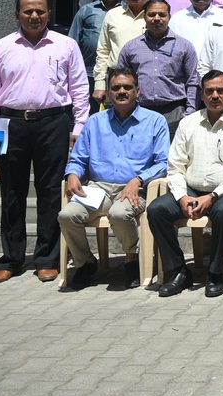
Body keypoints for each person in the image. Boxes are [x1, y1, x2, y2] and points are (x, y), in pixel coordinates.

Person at [0, 0, 89, 284]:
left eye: (39, 11)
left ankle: (46, 258)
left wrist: (79, 128)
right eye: (28, 12)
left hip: (54, 122)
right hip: (10, 122)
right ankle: (12, 258)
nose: (34, 16)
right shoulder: (1, 47)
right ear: (17, 14)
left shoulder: (66, 45)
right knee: (12, 192)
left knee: (50, 191)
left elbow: (79, 90)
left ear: (48, 13)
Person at [146, 70, 223, 298]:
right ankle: (177, 271)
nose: (215, 95)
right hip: (190, 189)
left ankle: (215, 273)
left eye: (220, 91)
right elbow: (175, 166)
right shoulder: (188, 123)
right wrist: (181, 197)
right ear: (202, 95)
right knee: (156, 210)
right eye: (209, 91)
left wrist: (213, 196)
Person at [59, 67, 168, 290]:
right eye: (116, 87)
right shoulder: (94, 122)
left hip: (136, 190)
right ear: (108, 92)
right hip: (98, 189)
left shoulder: (155, 121)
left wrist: (138, 180)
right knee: (66, 215)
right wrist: (72, 174)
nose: (122, 91)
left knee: (119, 213)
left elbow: (164, 163)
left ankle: (132, 259)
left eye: (127, 87)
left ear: (138, 91)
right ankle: (85, 262)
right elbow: (78, 158)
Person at [116, 0, 199, 136]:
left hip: (174, 112)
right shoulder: (131, 47)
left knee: (171, 155)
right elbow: (120, 82)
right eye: (152, 14)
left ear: (169, 17)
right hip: (139, 112)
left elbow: (193, 81)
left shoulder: (184, 46)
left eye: (162, 15)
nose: (156, 18)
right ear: (144, 17)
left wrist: (190, 112)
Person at [92, 0, 150, 103]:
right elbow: (103, 51)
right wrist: (100, 85)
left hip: (146, 79)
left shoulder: (155, 15)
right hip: (116, 81)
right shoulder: (113, 15)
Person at [68, 0, 123, 97]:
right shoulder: (86, 10)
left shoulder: (128, 11)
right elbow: (72, 42)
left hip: (120, 74)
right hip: (88, 73)